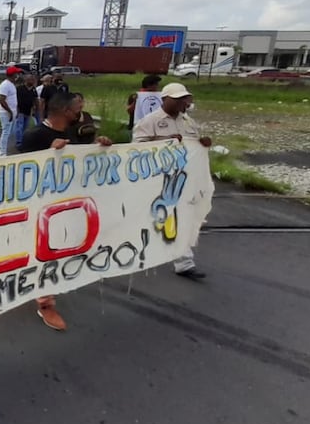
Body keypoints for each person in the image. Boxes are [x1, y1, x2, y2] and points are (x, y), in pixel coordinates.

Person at [19, 92, 113, 332]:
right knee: (45, 252)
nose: (80, 114)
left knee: (63, 250)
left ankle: (37, 288)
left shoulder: (75, 132)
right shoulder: (35, 136)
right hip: (43, 209)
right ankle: (45, 302)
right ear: (64, 111)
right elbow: (19, 173)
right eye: (77, 109)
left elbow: (82, 160)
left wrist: (99, 148)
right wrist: (49, 154)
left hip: (71, 204)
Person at [132, 82, 212, 281]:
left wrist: (203, 145)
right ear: (164, 100)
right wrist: (164, 142)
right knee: (154, 217)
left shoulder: (188, 122)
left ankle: (184, 262)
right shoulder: (150, 121)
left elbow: (194, 145)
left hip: (183, 178)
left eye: (183, 99)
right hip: (158, 178)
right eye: (176, 99)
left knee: (181, 216)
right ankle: (138, 248)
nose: (181, 103)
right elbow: (136, 148)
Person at [0, 67, 20, 155]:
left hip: (12, 112)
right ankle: (2, 152)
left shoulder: (12, 84)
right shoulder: (5, 85)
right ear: (13, 75)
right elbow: (2, 100)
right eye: (16, 74)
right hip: (6, 112)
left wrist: (15, 110)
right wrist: (10, 111)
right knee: (6, 132)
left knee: (9, 132)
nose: (18, 75)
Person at [15, 74, 38, 150]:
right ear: (26, 80)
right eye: (30, 79)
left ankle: (23, 142)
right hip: (20, 110)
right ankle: (19, 142)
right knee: (19, 127)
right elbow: (16, 100)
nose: (32, 81)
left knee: (25, 127)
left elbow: (35, 99)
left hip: (28, 111)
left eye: (33, 79)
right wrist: (17, 110)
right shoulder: (20, 89)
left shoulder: (33, 90)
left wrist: (35, 108)